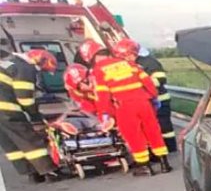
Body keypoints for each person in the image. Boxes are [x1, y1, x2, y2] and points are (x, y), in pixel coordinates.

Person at [81, 39, 171, 176]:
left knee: (134, 135)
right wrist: (153, 97)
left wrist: (104, 114)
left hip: (125, 106)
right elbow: (147, 81)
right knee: (153, 130)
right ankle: (164, 163)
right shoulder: (128, 63)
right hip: (144, 102)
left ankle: (144, 166)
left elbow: (102, 95)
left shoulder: (98, 71)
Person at [0, 49, 60, 180]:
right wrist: (35, 116)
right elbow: (24, 98)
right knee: (28, 139)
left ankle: (31, 173)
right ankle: (49, 171)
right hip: (6, 109)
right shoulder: (24, 67)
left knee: (11, 143)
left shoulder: (9, 63)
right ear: (40, 60)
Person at [111, 39, 177, 152]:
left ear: (133, 53)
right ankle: (158, 149)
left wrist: (142, 84)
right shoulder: (127, 65)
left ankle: (170, 147)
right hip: (144, 102)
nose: (124, 59)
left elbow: (160, 79)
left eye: (126, 55)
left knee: (164, 125)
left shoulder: (149, 62)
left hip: (160, 99)